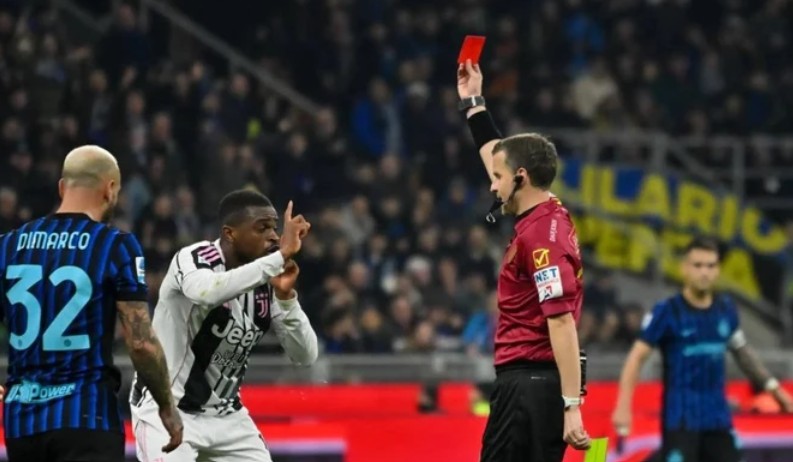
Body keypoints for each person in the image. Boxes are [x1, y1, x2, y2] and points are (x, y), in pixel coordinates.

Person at [0, 146, 182, 462]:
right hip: (86, 417)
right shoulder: (116, 246)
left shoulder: (8, 245)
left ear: (62, 187)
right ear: (110, 189)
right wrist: (166, 405)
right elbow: (140, 342)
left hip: (21, 424)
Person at [457, 60, 591, 461]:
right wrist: (474, 103)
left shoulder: (541, 240)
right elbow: (495, 156)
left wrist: (572, 406)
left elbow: (561, 321)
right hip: (531, 384)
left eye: (498, 178)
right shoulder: (547, 215)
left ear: (521, 177)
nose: (491, 184)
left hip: (529, 386)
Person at [130, 189, 318, 462]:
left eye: (274, 228)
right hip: (167, 408)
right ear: (230, 234)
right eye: (262, 228)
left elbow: (306, 355)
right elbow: (205, 292)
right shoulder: (194, 258)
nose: (274, 237)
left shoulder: (267, 278)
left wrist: (286, 298)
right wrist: (278, 258)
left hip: (227, 416)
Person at [612, 237, 793, 462]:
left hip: (718, 421)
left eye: (710, 265)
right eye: (697, 265)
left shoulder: (726, 310)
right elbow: (636, 357)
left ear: (717, 270)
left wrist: (777, 392)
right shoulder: (667, 312)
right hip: (681, 422)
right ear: (684, 269)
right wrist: (623, 406)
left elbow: (743, 354)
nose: (704, 272)